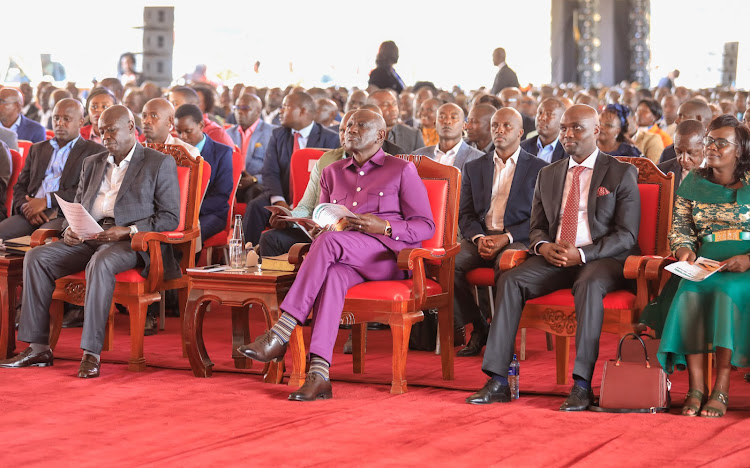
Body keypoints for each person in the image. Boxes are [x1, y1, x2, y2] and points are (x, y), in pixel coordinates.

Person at [237, 109, 435, 401]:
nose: (350, 130)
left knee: (330, 245)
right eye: (348, 125)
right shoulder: (331, 172)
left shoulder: (401, 170)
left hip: (386, 257)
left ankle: (281, 330)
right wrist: (316, 230)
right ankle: (319, 375)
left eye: (360, 126)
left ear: (381, 135)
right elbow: (325, 218)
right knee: (331, 274)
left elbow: (425, 225)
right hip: (344, 256)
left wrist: (386, 226)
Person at [466, 105, 640, 410]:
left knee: (588, 285)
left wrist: (582, 254)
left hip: (602, 257)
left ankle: (582, 386)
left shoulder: (620, 172)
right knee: (511, 280)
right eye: (563, 128)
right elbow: (537, 228)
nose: (567, 135)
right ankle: (498, 380)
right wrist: (543, 247)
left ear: (596, 131)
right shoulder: (548, 173)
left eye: (576, 128)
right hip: (556, 254)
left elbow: (626, 235)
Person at [0, 105, 180, 378]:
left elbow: (170, 217)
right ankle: (38, 348)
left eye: (111, 130)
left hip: (131, 242)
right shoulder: (93, 162)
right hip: (89, 235)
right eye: (101, 130)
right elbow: (79, 205)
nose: (105, 135)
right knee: (36, 257)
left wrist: (127, 230)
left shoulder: (157, 162)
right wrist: (69, 228)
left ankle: (90, 353)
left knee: (101, 262)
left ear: (131, 128)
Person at [641, 115, 750, 418]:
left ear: (739, 150)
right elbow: (680, 227)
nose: (712, 147)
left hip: (744, 264)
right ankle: (696, 388)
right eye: (709, 141)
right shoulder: (694, 180)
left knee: (725, 293)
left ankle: (722, 387)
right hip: (706, 262)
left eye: (721, 143)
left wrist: (748, 260)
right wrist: (684, 249)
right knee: (690, 291)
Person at [453, 108, 548, 357]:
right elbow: (465, 214)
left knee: (506, 266)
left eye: (506, 126)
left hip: (517, 238)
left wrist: (506, 238)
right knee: (447, 263)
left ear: (520, 132)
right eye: (495, 125)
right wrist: (479, 237)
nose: (499, 130)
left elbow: (541, 217)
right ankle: (480, 326)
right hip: (480, 236)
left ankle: (500, 335)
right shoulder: (475, 167)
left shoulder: (540, 168)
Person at [242, 91, 339, 245]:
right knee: (255, 205)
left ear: (302, 111)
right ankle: (246, 254)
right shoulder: (278, 135)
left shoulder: (330, 138)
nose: (281, 111)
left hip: (314, 201)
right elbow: (270, 172)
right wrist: (279, 201)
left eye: (286, 107)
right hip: (283, 196)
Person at [0, 98, 104, 238]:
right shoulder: (37, 149)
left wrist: (46, 201)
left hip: (61, 215)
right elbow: (20, 186)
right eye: (56, 118)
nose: (59, 123)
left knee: (41, 239)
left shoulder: (93, 152)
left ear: (80, 121)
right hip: (30, 211)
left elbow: (85, 190)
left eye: (66, 119)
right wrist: (26, 207)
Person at [258, 110, 356, 258]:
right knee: (271, 238)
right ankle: (281, 282)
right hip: (316, 230)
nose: (345, 135)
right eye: (342, 130)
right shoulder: (326, 160)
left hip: (347, 234)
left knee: (328, 240)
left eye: (350, 130)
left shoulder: (379, 165)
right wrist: (289, 219)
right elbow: (306, 206)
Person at [174, 104, 233, 242]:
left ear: (201, 125)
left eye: (188, 131)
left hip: (210, 213)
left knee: (191, 234)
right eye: (178, 131)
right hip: (177, 214)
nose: (183, 137)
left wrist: (189, 211)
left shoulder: (221, 153)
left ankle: (188, 264)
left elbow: (221, 195)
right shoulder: (175, 151)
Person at [226, 93, 276, 203]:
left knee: (255, 192)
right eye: (237, 108)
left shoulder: (273, 133)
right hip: (232, 180)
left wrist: (255, 179)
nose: (239, 111)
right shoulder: (227, 134)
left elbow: (277, 169)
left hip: (257, 183)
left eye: (245, 108)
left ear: (258, 111)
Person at [412, 103, 483, 173]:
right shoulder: (418, 156)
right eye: (442, 117)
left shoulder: (478, 158)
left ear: (464, 125)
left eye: (453, 117)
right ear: (435, 124)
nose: (447, 121)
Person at [168, 86, 234, 148]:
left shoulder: (215, 132)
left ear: (192, 106)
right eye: (169, 104)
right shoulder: (171, 128)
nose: (170, 108)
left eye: (175, 104)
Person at [657, 120, 706, 198]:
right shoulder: (661, 172)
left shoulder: (719, 173)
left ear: (704, 147)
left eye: (690, 153)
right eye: (679, 152)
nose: (683, 159)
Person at [659, 99, 713, 163]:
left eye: (681, 116)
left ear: (699, 119)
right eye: (679, 152)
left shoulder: (715, 152)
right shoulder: (668, 153)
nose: (676, 121)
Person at [520, 97, 567, 163]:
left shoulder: (568, 152)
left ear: (562, 121)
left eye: (549, 114)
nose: (541, 118)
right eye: (540, 112)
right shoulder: (522, 148)